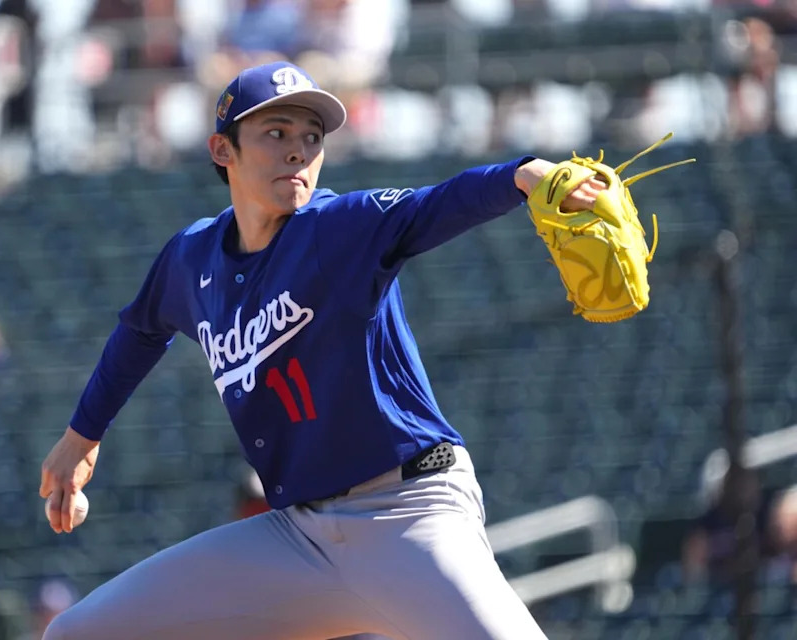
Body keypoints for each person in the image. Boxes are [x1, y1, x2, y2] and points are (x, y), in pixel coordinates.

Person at [39, 60, 607, 639]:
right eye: (276, 133)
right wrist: (82, 436)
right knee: (77, 633)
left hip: (411, 516)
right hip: (298, 539)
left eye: (312, 137)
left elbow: (433, 205)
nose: (298, 151)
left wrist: (520, 174)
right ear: (222, 149)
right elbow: (140, 331)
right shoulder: (191, 260)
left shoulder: (339, 225)